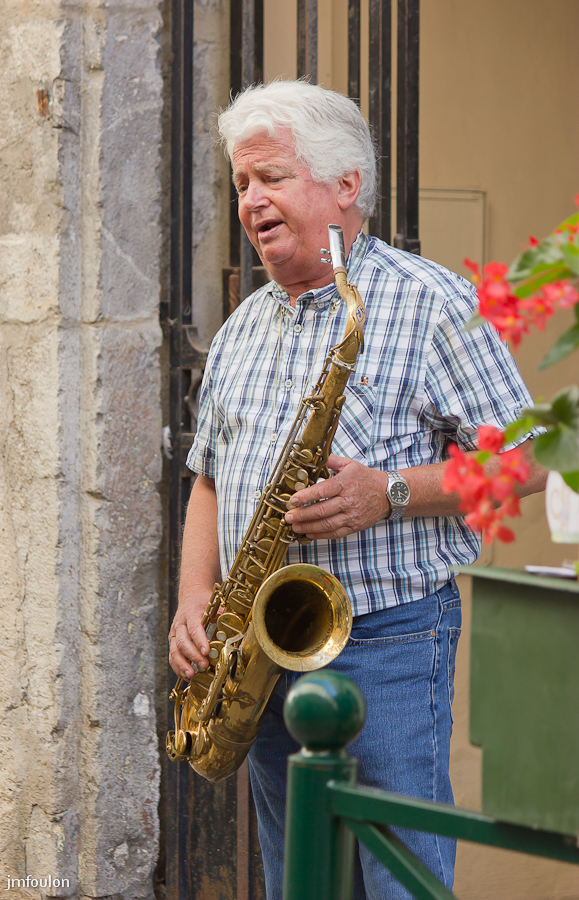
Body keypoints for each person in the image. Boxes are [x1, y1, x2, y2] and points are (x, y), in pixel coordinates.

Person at [168, 80, 546, 900]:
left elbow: (531, 460)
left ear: (346, 185)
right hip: (260, 643)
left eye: (270, 177)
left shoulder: (431, 300)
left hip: (387, 639)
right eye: (240, 185)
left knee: (395, 876)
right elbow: (207, 476)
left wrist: (391, 493)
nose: (250, 201)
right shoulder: (243, 323)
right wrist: (195, 595)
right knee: (301, 874)